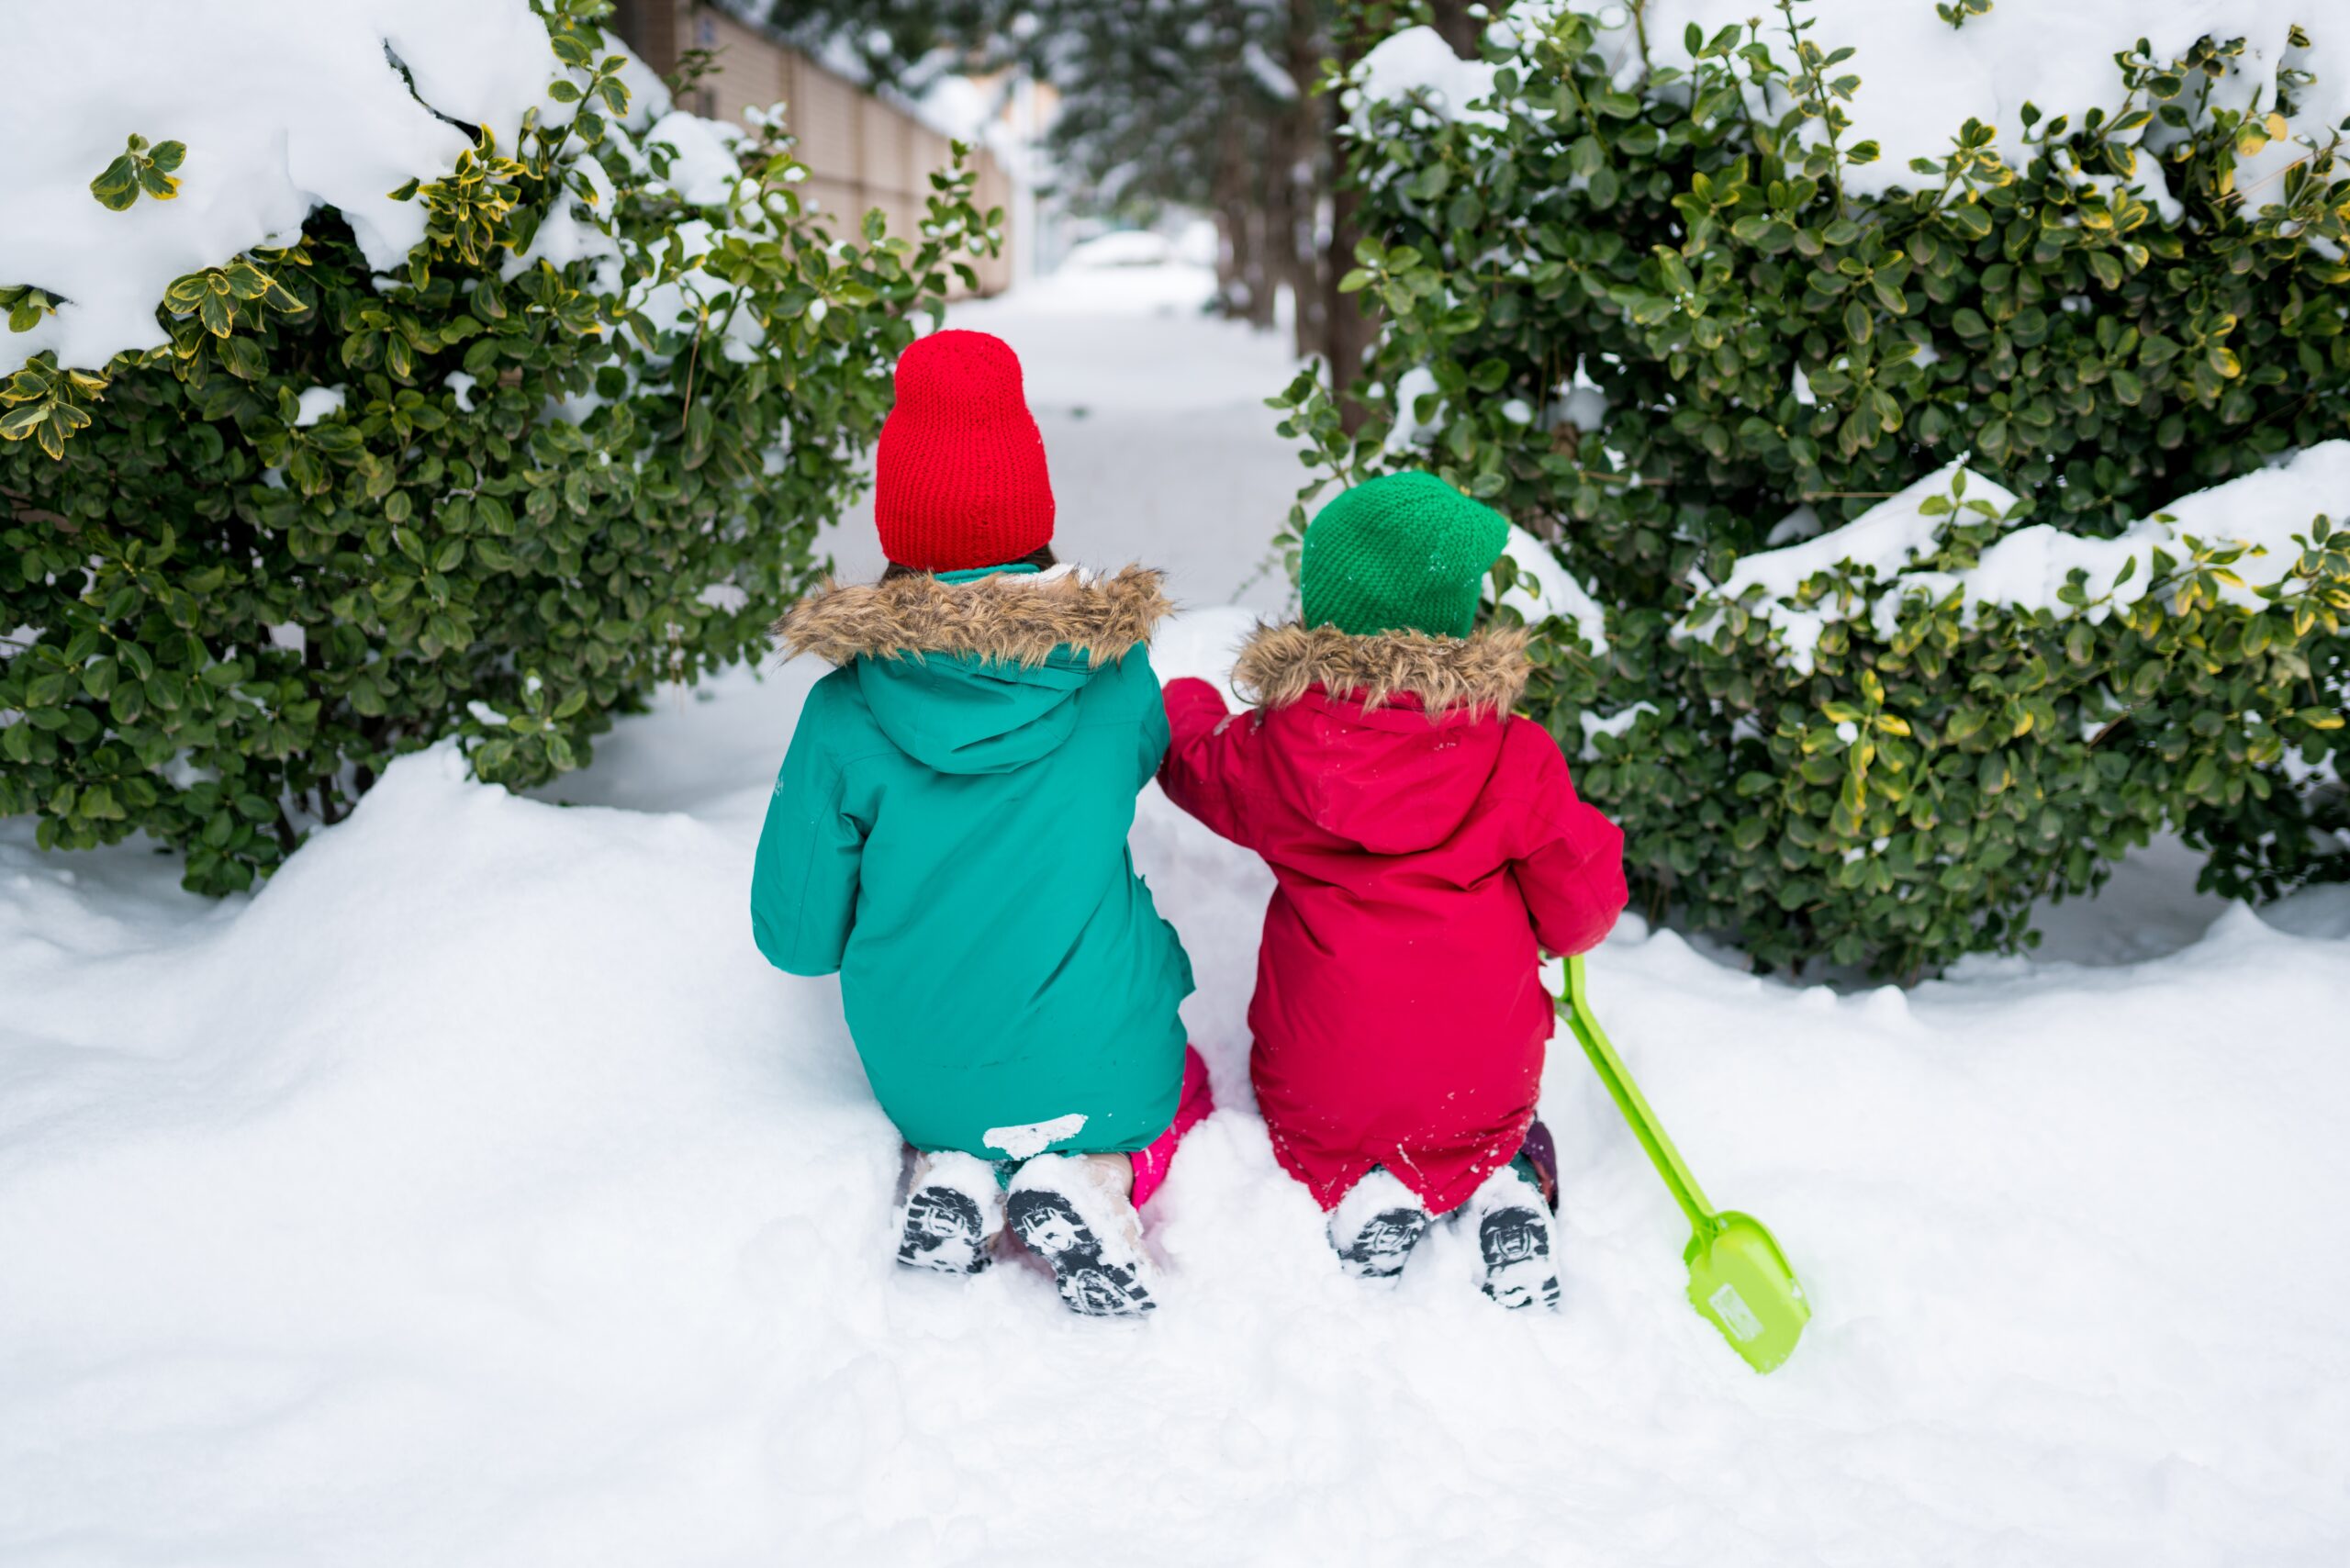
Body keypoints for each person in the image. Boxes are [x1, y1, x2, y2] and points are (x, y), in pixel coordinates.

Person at [752, 330, 1208, 1318]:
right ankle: (1096, 1178)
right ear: (1031, 513)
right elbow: (1137, 760)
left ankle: (954, 1176)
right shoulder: (1112, 676)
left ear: (898, 523)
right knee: (1185, 1084)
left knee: (968, 1102)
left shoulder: (845, 712)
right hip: (1104, 1064)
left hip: (923, 1079)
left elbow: (793, 940)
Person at [1156, 472, 1626, 1309]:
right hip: (1480, 1080)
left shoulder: (1276, 749)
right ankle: (1506, 1190)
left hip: (1319, 1084)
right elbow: (1585, 910)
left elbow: (1192, 768)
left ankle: (1364, 1195)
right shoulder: (1514, 754)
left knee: (1330, 1116)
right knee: (1500, 1129)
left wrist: (1187, 702)